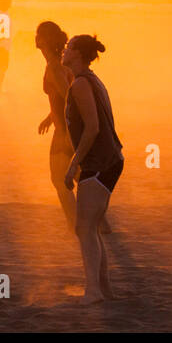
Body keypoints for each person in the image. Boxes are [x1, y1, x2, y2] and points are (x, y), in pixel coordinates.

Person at [63, 34, 123, 303]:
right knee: (91, 228)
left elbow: (93, 128)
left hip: (99, 162)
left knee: (84, 228)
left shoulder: (81, 84)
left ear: (77, 53)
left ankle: (94, 291)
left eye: (68, 47)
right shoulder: (90, 78)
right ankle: (105, 289)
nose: (64, 51)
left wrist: (73, 163)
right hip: (110, 160)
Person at [35, 21, 76, 226]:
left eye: (38, 34)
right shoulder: (57, 64)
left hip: (65, 131)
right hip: (65, 128)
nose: (35, 38)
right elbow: (62, 98)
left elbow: (70, 97)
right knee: (77, 175)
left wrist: (66, 131)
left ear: (44, 40)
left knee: (59, 179)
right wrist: (49, 116)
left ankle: (75, 222)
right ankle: (99, 222)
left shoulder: (54, 67)